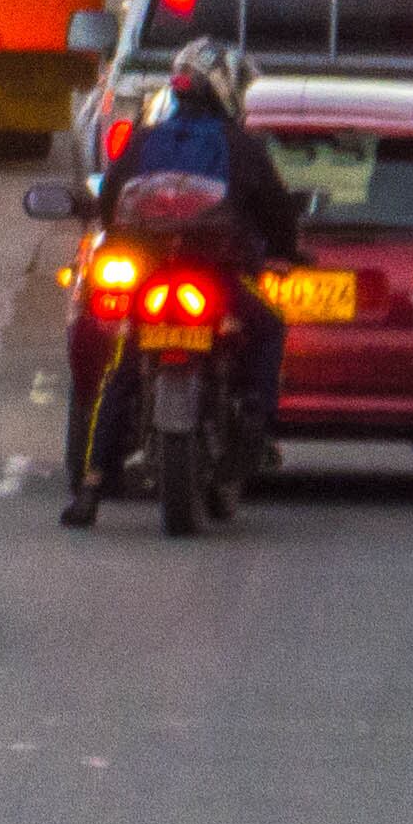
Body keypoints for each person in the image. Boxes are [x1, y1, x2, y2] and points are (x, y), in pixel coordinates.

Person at [66, 38, 301, 525]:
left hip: (154, 275)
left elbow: (110, 201)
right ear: (228, 90)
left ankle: (92, 485)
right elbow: (275, 210)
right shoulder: (240, 146)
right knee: (268, 328)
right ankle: (256, 429)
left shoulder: (146, 138)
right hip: (215, 276)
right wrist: (284, 252)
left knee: (126, 367)